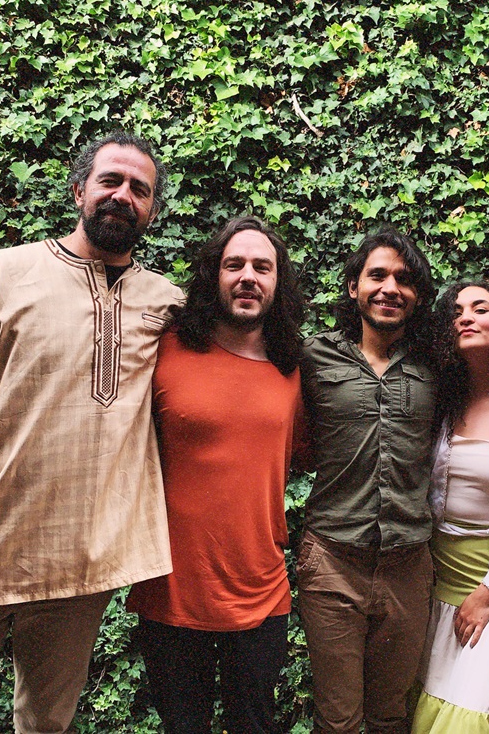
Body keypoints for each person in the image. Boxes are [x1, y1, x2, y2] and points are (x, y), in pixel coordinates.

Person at [0, 132, 184, 733]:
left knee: (47, 726)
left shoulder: (167, 304)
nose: (123, 196)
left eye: (140, 190)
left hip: (76, 570)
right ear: (79, 191)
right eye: (110, 181)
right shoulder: (3, 273)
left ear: (152, 211)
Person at [126, 216, 305, 734]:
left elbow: (311, 454)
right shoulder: (166, 347)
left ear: (277, 282)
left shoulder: (292, 364)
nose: (248, 276)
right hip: (171, 587)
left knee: (256, 724)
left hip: (261, 587)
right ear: (213, 276)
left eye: (262, 267)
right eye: (235, 264)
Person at [297, 228, 438, 734]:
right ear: (353, 287)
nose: (390, 288)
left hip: (408, 567)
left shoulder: (436, 367)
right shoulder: (312, 358)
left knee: (389, 716)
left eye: (404, 279)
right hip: (333, 561)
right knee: (337, 720)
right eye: (377, 275)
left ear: (416, 296)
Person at [411, 281, 489, 733]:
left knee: (467, 718)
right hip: (432, 586)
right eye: (456, 311)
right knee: (421, 707)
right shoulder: (436, 403)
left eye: (480, 308)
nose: (466, 316)